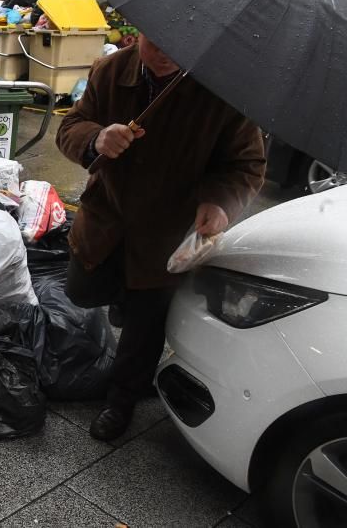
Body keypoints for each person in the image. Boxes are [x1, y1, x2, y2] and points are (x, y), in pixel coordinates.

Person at [56, 34, 266, 441]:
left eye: (179, 43)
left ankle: (122, 399)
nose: (167, 51)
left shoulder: (224, 90)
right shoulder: (112, 70)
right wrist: (95, 137)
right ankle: (122, 298)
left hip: (165, 234)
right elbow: (70, 127)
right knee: (82, 289)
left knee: (144, 325)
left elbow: (246, 165)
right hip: (106, 219)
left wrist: (220, 203)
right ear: (137, 33)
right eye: (156, 42)